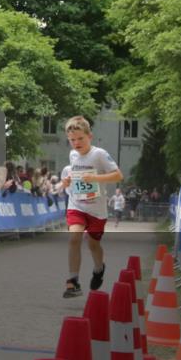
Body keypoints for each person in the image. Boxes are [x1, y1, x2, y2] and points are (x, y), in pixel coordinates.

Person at [60, 116, 123, 298]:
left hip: (96, 210)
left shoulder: (99, 154)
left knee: (93, 244)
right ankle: (73, 281)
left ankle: (98, 268)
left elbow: (118, 176)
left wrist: (95, 178)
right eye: (72, 140)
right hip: (77, 204)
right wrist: (67, 181)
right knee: (74, 238)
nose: (76, 143)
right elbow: (73, 176)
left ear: (90, 136)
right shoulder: (73, 155)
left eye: (80, 138)